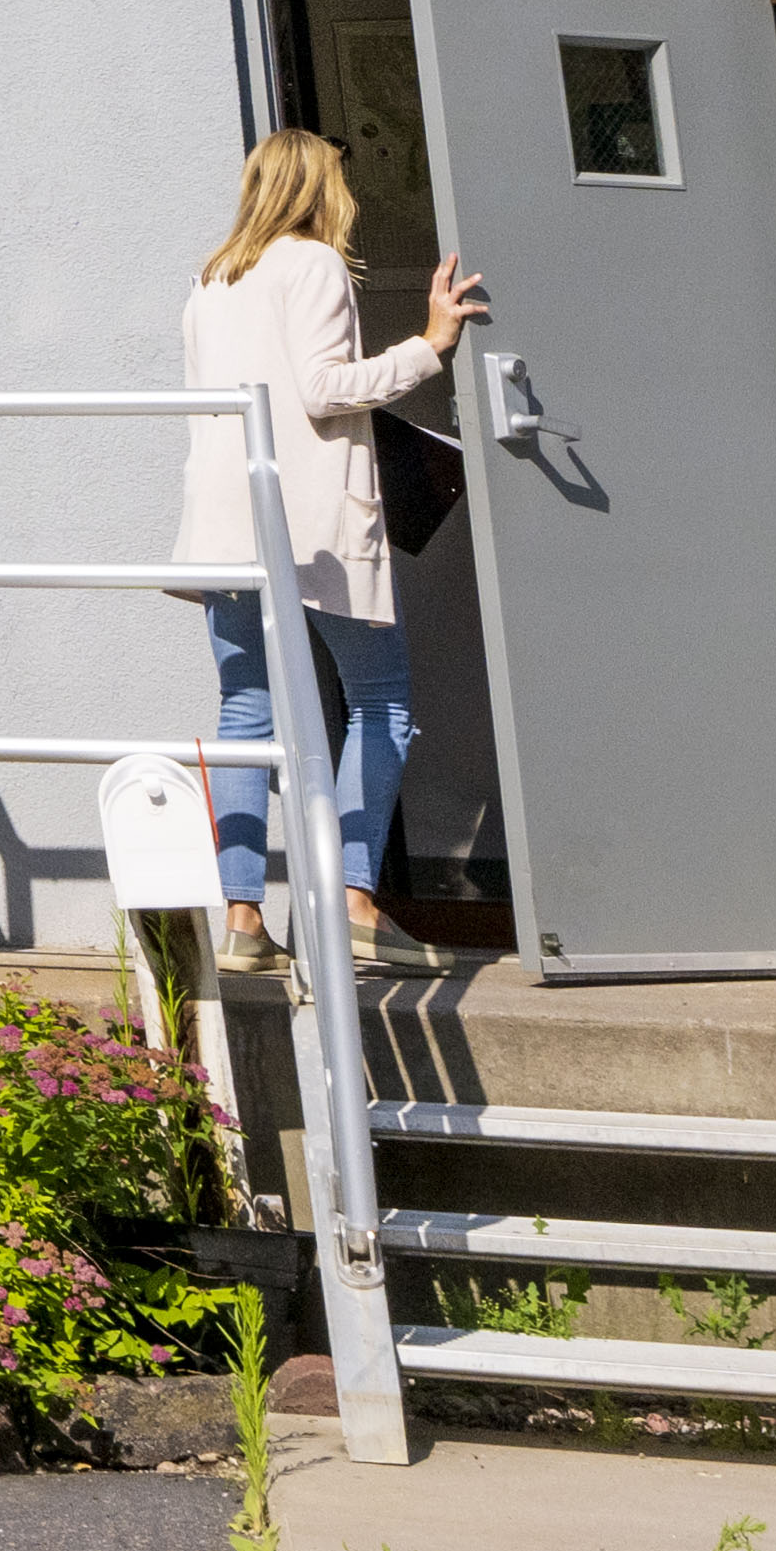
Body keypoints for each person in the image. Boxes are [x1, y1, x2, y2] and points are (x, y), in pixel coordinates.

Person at [166, 127, 479, 956]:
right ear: (316, 187)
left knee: (244, 713)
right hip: (311, 528)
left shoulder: (212, 277)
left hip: (223, 524)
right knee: (380, 702)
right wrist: (430, 345)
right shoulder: (313, 264)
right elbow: (323, 388)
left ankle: (241, 922)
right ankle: (352, 906)